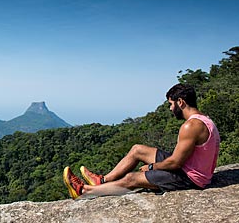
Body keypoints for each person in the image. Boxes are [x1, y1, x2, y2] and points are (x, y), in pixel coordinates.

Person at [63, 84, 220, 199]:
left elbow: (175, 163)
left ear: (181, 102)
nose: (170, 109)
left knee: (132, 178)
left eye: (171, 104)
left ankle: (84, 192)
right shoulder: (204, 119)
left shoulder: (191, 126)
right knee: (137, 149)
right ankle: (102, 180)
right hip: (187, 167)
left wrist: (152, 167)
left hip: (190, 178)